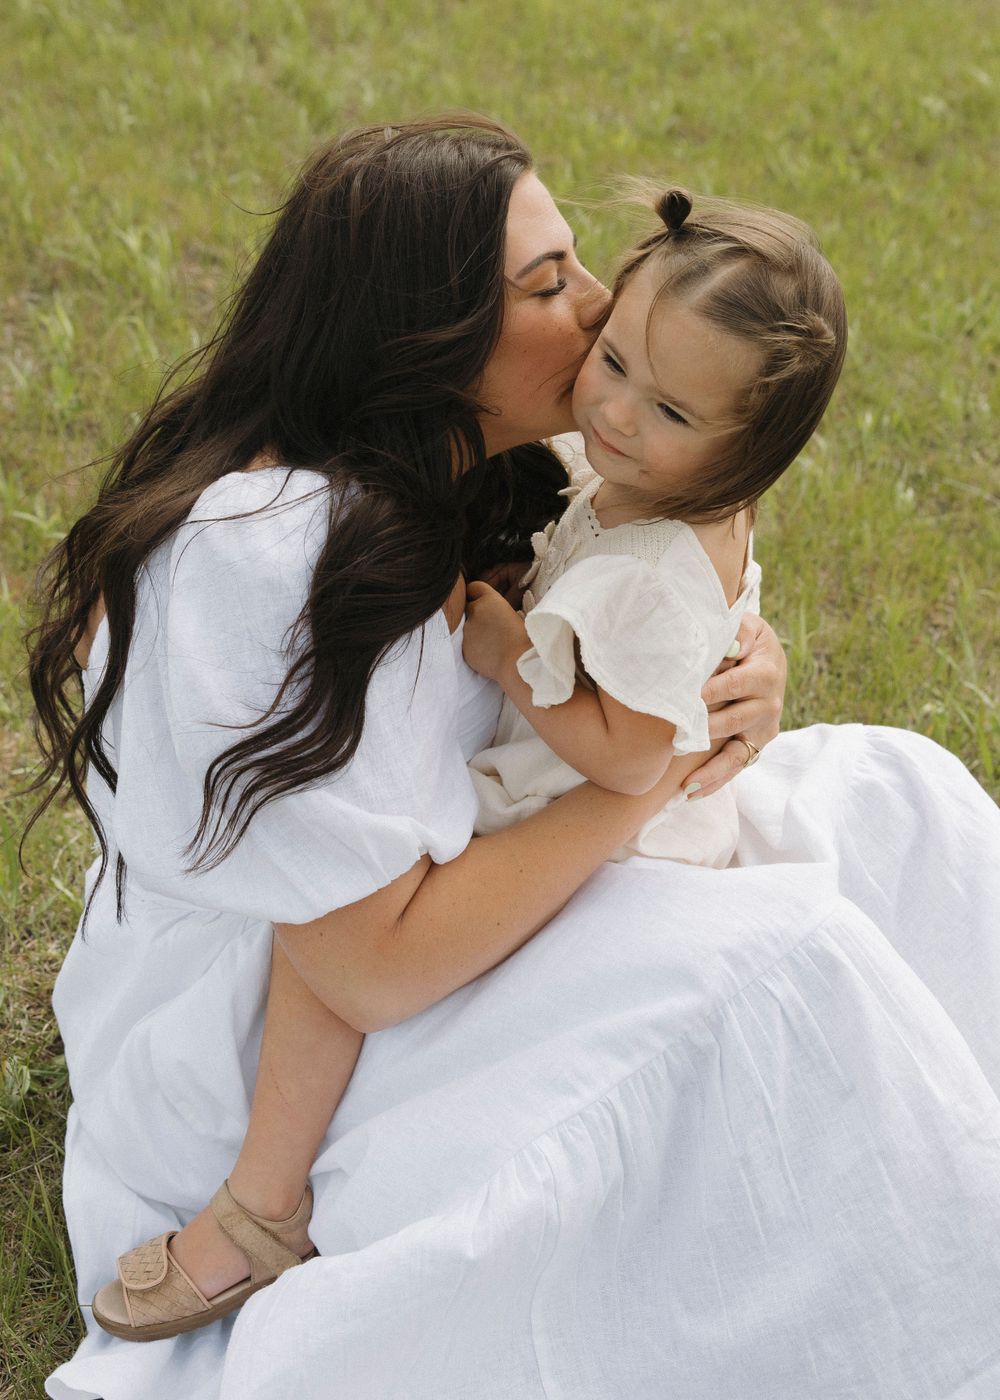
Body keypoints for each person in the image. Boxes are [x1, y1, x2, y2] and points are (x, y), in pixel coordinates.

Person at [31, 116, 1000, 1400]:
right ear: (423, 334)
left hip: (482, 846)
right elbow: (366, 963)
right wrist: (656, 769)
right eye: (549, 285)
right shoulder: (269, 560)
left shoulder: (481, 454)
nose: (599, 304)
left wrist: (732, 673)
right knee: (789, 961)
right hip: (299, 1002)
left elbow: (653, 587)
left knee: (899, 793)